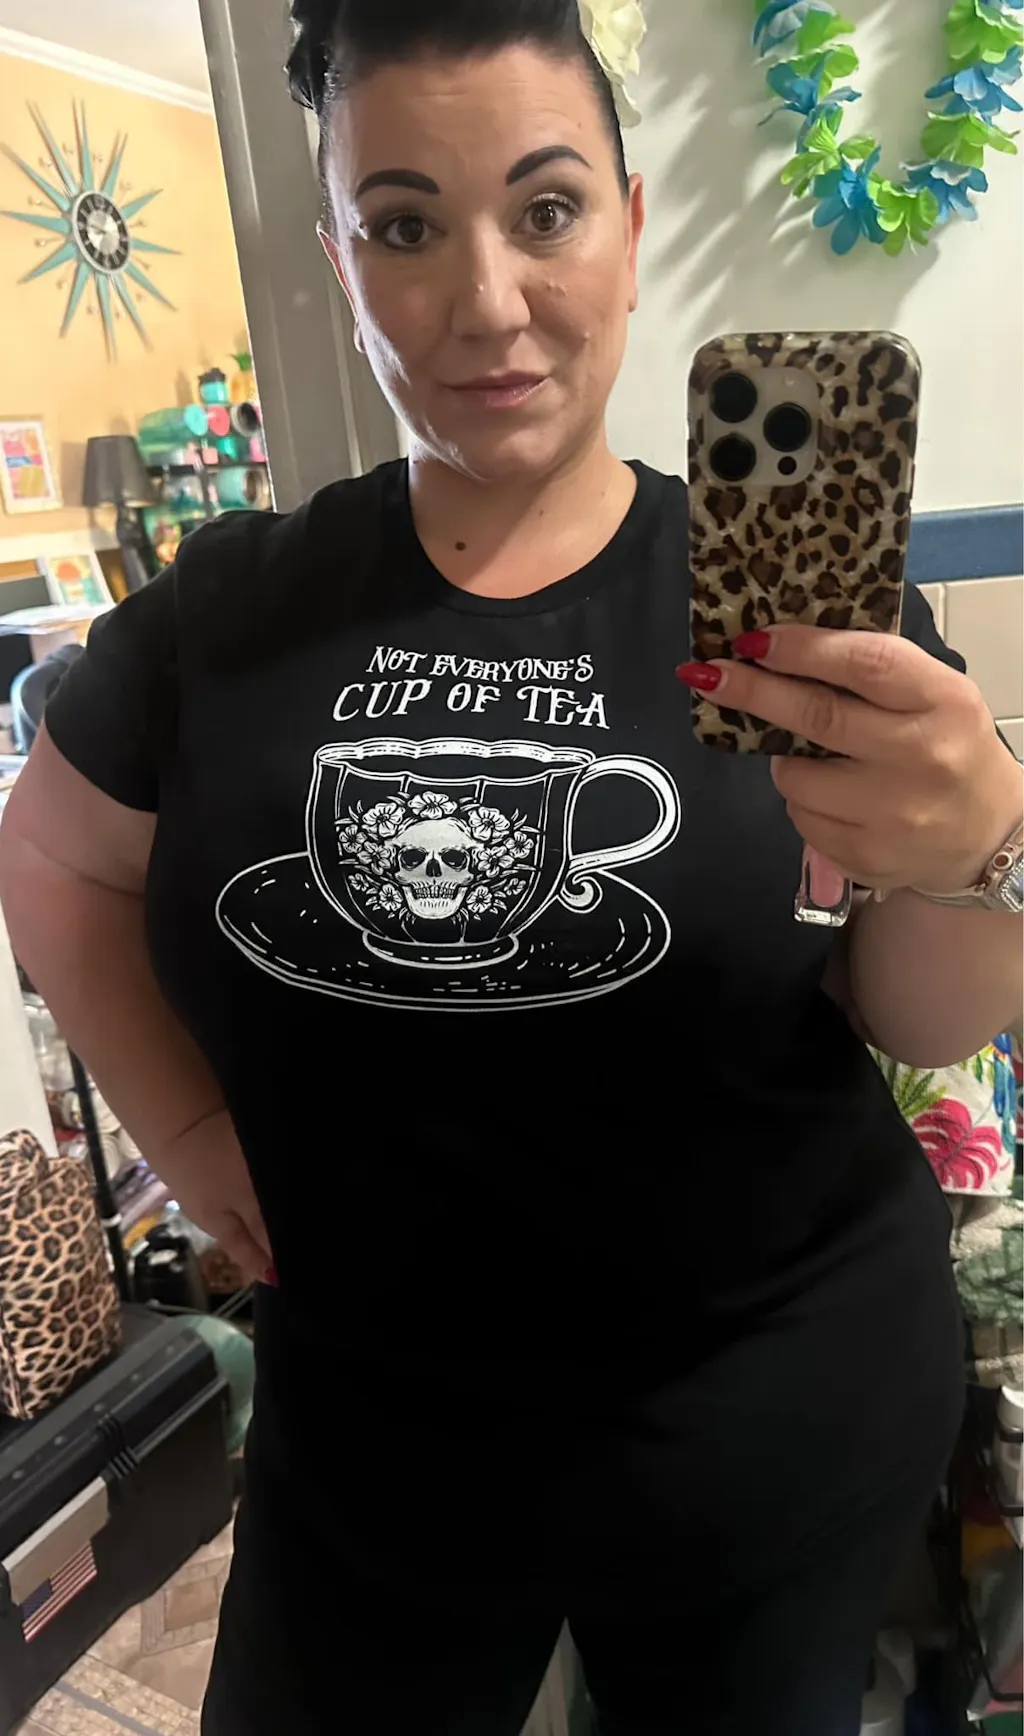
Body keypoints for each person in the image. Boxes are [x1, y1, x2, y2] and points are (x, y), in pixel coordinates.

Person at [1, 1, 1021, 1730]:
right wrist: (188, 1135)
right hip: (374, 1441)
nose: (486, 303)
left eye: (546, 210)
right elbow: (52, 859)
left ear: (630, 222)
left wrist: (985, 844)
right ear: (341, 264)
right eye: (405, 227)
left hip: (771, 1407)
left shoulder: (800, 614)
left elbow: (914, 1014)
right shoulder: (229, 611)